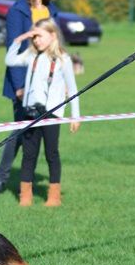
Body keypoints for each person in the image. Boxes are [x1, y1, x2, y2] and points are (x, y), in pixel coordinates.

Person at [0, 0, 59, 195]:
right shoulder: (17, 11)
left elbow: (57, 48)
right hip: (23, 84)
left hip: (47, 86)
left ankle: (31, 185)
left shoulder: (52, 11)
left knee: (44, 136)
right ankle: (0, 180)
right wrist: (19, 87)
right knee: (19, 132)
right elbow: (13, 49)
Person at [4, 19, 80, 207]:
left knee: (51, 154)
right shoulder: (31, 55)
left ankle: (54, 197)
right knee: (29, 155)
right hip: (30, 113)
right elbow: (9, 60)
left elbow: (73, 89)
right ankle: (25, 196)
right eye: (34, 36)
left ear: (53, 35)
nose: (36, 40)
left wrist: (75, 115)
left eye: (39, 36)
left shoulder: (63, 59)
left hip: (52, 114)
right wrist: (20, 40)